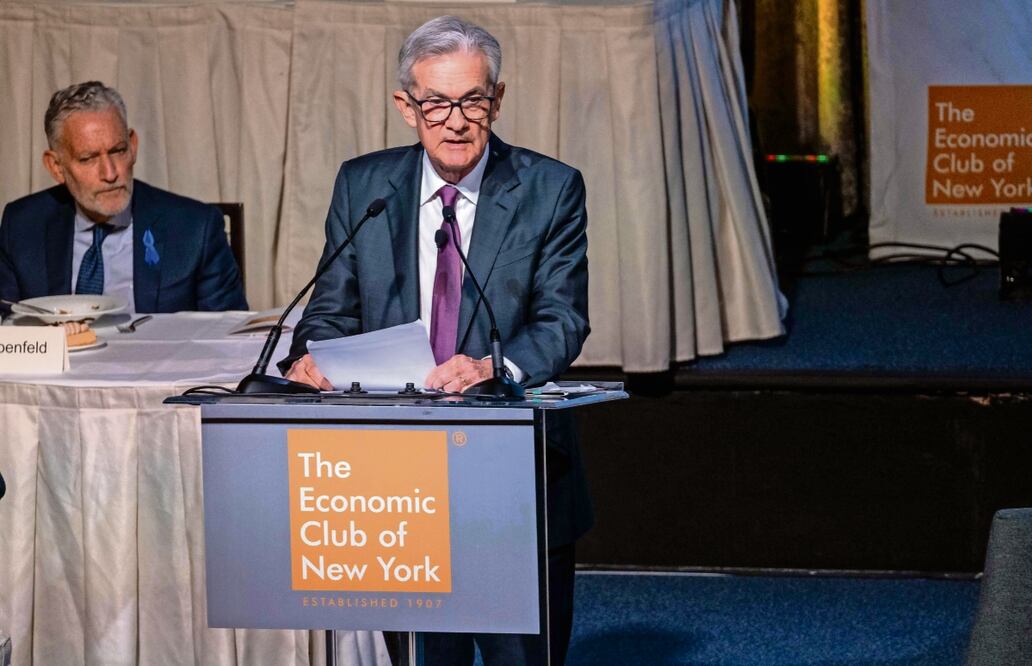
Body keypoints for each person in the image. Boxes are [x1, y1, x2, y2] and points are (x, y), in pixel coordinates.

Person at [281, 15, 591, 665]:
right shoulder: (364, 187)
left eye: (472, 100)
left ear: (496, 100)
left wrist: (491, 366)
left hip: (512, 475)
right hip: (396, 483)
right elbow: (329, 310)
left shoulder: (550, 189)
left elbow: (562, 321)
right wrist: (316, 357)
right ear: (406, 107)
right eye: (436, 103)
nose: (455, 121)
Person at [0, 81, 247, 314]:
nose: (110, 173)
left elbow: (229, 341)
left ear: (133, 146)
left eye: (118, 151)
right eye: (88, 158)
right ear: (56, 166)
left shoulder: (195, 229)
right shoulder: (21, 226)